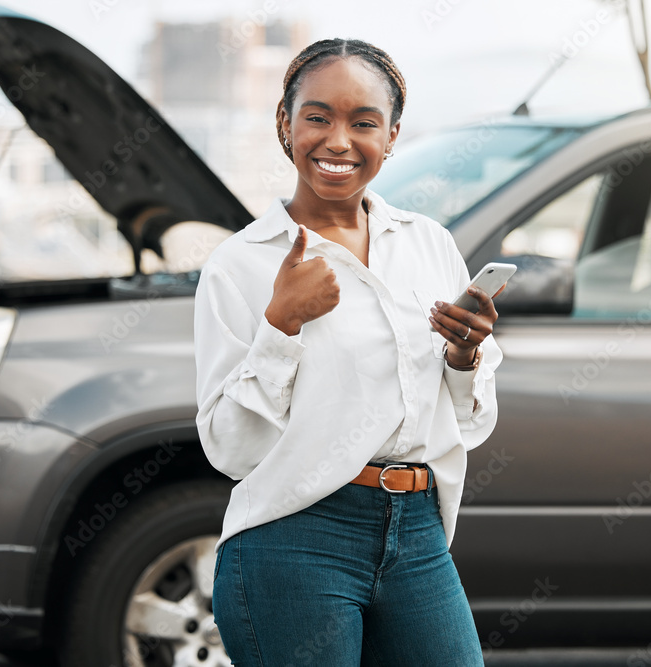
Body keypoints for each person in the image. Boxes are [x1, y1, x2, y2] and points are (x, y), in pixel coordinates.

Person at [194, 37, 504, 666]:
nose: (338, 141)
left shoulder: (428, 245)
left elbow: (472, 423)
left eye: (363, 123)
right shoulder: (240, 266)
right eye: (318, 117)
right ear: (286, 123)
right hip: (295, 538)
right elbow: (229, 449)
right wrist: (280, 324)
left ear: (391, 136)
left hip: (418, 532)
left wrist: (465, 358)